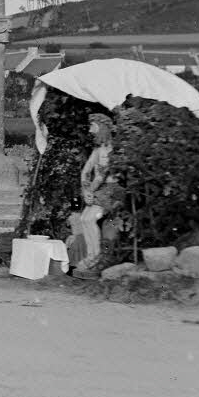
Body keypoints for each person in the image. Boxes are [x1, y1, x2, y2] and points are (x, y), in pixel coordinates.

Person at [75, 112, 121, 278]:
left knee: (89, 218)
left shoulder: (111, 150)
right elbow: (86, 171)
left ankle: (96, 256)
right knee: (83, 219)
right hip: (98, 191)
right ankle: (91, 255)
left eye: (93, 125)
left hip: (111, 191)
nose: (90, 129)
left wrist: (89, 191)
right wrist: (86, 190)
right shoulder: (98, 150)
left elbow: (101, 176)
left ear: (101, 128)